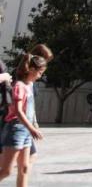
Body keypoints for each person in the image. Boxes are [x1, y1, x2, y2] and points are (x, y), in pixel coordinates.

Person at [0, 54, 47, 187]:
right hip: (15, 129)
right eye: (40, 72)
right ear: (31, 70)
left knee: (25, 168)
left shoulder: (29, 85)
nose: (40, 76)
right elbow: (18, 111)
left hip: (25, 130)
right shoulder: (19, 86)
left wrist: (32, 125)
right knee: (6, 171)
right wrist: (32, 129)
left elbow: (30, 108)